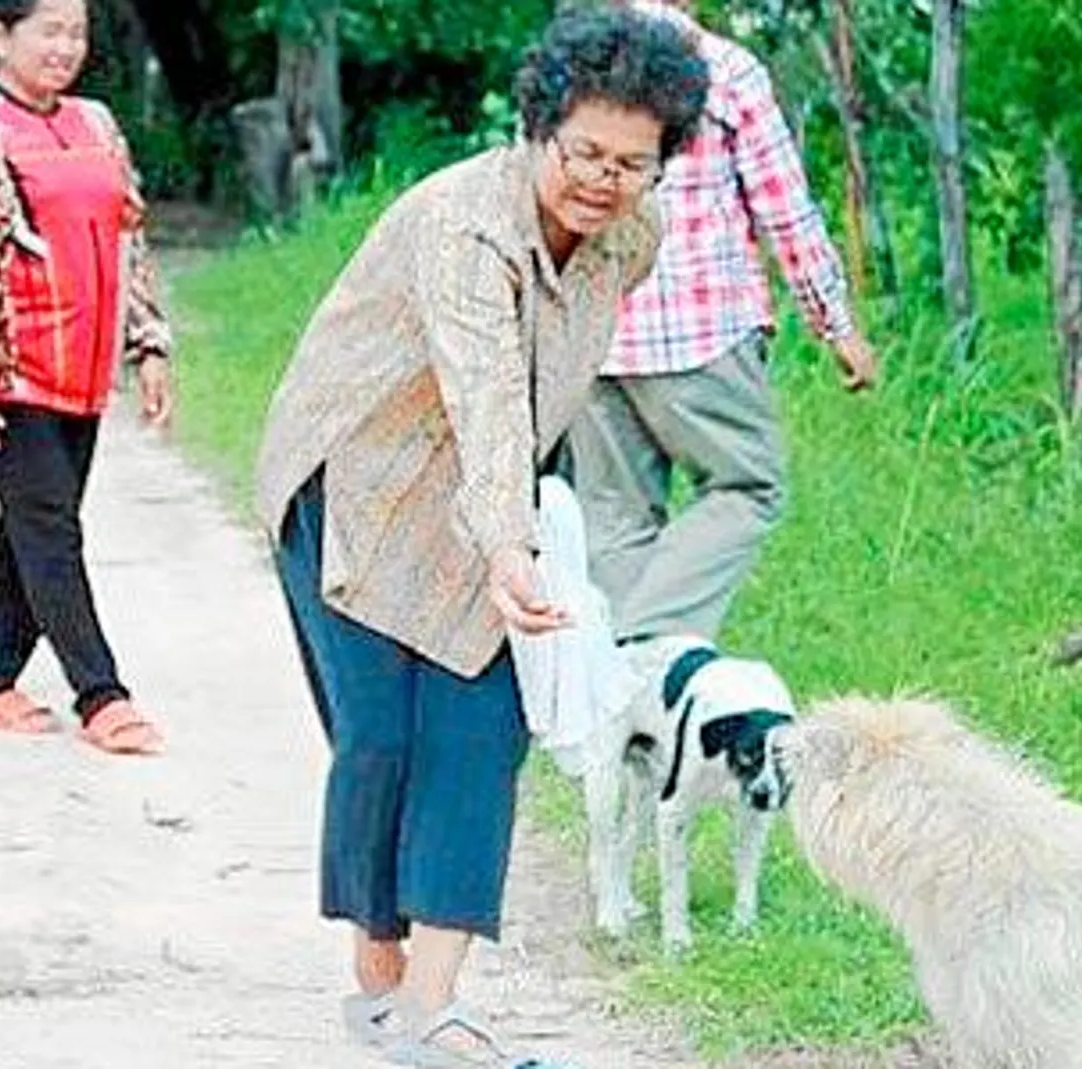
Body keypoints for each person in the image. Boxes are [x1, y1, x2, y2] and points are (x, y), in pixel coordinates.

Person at [252, 8, 707, 1065]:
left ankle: (429, 1007)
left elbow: (547, 371)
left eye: (631, 163)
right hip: (355, 479)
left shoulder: (634, 232)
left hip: (488, 494)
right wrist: (509, 543)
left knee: (479, 730)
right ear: (537, 128)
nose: (603, 180)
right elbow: (486, 386)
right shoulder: (465, 223)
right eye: (584, 153)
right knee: (382, 739)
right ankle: (377, 978)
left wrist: (516, 536)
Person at [571, 0, 880, 645]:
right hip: (699, 331)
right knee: (748, 483)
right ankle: (644, 643)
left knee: (615, 521)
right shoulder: (726, 72)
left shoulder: (576, 65)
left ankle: (625, 707)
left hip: (590, 334)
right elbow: (785, 210)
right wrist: (836, 323)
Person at [0, 0, 171, 756]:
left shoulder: (96, 123)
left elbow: (131, 236)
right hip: (10, 372)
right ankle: (102, 694)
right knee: (51, 529)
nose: (65, 48)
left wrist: (148, 345)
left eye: (76, 33)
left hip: (83, 371)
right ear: (1, 35)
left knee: (29, 529)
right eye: (48, 31)